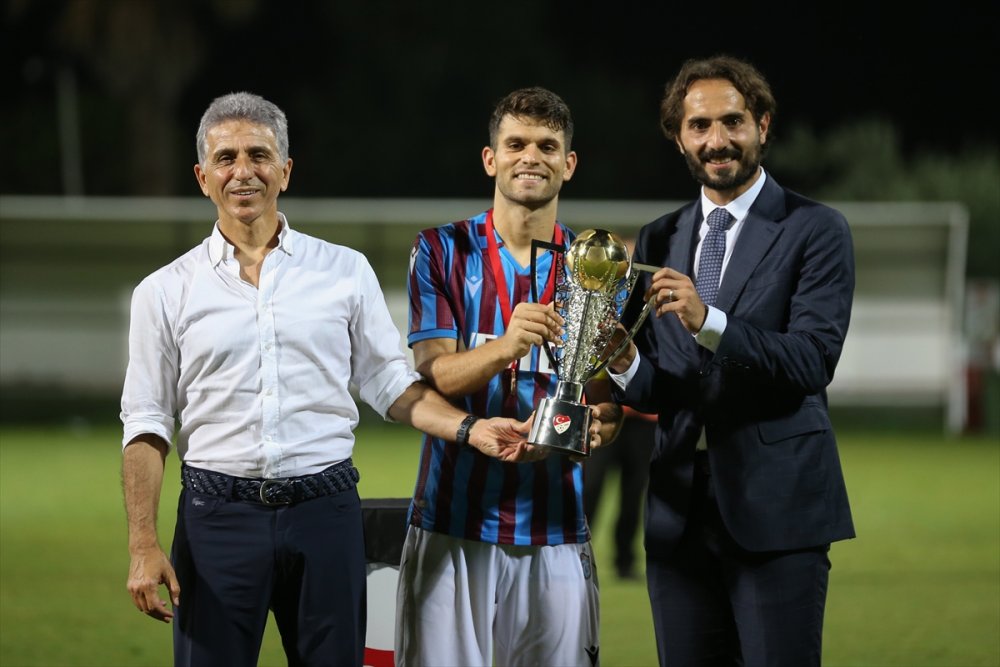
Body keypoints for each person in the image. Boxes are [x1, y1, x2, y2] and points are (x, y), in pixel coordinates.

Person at [120, 91, 537, 667]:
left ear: (285, 171)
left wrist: (470, 430)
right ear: (202, 176)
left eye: (260, 155)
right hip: (218, 521)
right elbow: (145, 423)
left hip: (325, 512)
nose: (244, 172)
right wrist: (143, 545)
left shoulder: (343, 270)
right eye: (226, 158)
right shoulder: (164, 291)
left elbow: (390, 384)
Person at [606, 55, 856, 666]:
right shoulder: (660, 235)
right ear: (678, 136)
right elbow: (663, 388)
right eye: (699, 126)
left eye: (732, 122)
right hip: (676, 513)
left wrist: (709, 321)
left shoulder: (816, 229)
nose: (716, 141)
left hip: (776, 510)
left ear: (763, 126)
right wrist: (618, 360)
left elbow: (811, 361)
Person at [394, 86, 623, 667]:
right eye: (515, 143)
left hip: (557, 527)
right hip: (453, 522)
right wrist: (506, 346)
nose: (531, 156)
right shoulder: (441, 250)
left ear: (568, 164)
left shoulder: (595, 264)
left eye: (548, 146)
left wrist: (604, 425)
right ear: (490, 159)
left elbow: (604, 399)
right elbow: (435, 374)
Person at [582, 405, 656, 580]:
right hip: (606, 414)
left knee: (633, 493)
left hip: (643, 418)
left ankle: (625, 561)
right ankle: (578, 551)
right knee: (591, 486)